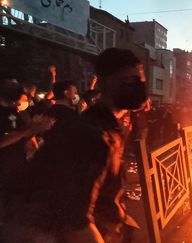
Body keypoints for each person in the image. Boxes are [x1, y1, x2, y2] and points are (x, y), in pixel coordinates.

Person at [1, 48, 147, 242]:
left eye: (140, 81)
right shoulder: (93, 135)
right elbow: (76, 221)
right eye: (129, 81)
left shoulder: (108, 125)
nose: (137, 87)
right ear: (104, 83)